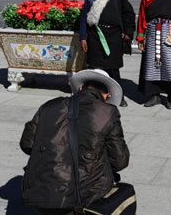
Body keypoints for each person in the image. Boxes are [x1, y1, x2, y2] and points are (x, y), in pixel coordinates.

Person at [20, 69, 130, 215]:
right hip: (85, 194)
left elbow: (27, 144)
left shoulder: (48, 106)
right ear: (106, 95)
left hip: (41, 191)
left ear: (80, 88)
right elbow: (120, 160)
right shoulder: (108, 112)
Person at [80, 0, 136, 107]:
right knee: (96, 70)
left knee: (113, 69)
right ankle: (96, 96)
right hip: (95, 36)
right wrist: (83, 37)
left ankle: (119, 96)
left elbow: (128, 13)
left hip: (113, 37)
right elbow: (84, 18)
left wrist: (128, 32)